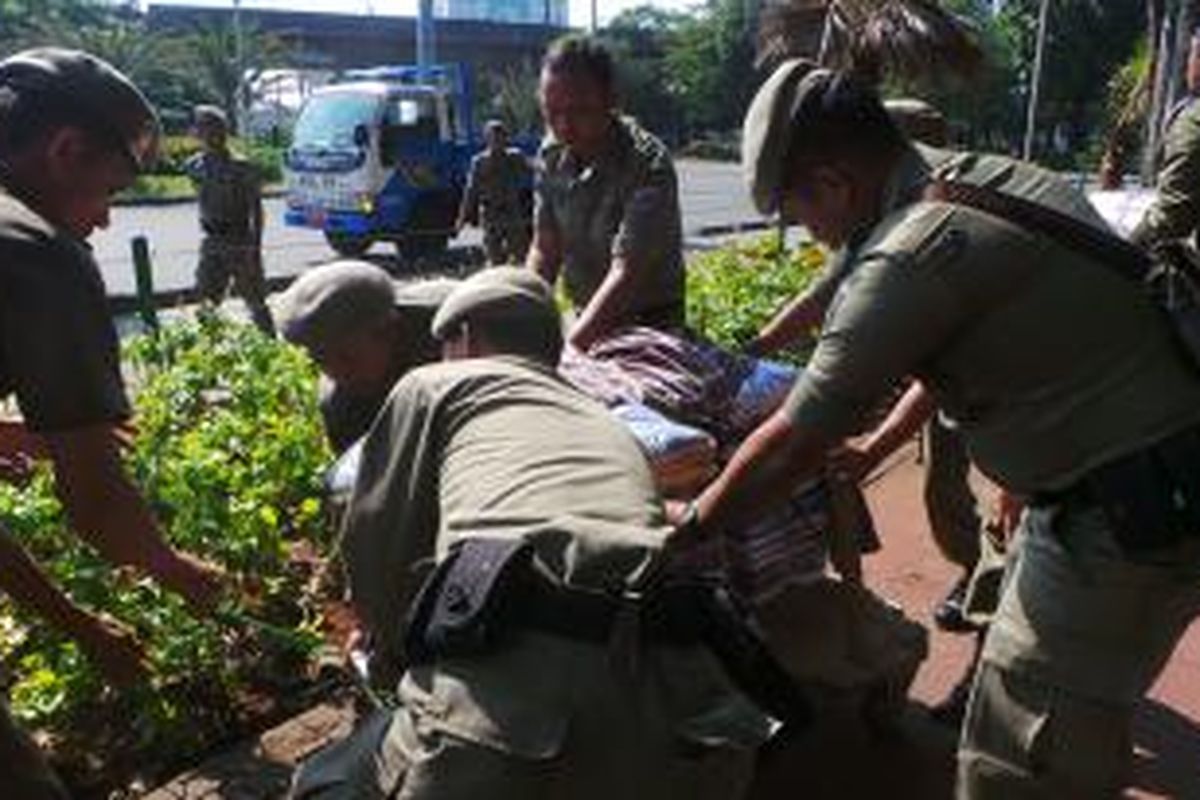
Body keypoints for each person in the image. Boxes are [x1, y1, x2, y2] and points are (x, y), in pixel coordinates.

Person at [676, 60, 1200, 798]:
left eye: (799, 212)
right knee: (1040, 721)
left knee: (1022, 762)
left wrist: (689, 529)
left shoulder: (912, 255)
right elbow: (874, 317)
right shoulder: (973, 179)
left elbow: (797, 442)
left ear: (832, 183)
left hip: (1130, 513)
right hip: (1126, 478)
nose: (809, 233)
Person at [292, 267, 770, 799]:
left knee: (326, 782)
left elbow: (379, 543)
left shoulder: (434, 381)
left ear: (464, 340)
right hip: (688, 717)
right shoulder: (604, 417)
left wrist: (388, 652)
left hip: (504, 721)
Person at [0, 48, 227, 798]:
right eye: (110, 190)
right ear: (65, 150)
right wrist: (176, 571)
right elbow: (96, 504)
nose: (104, 219)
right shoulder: (35, 256)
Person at [527, 35, 686, 350]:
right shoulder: (552, 154)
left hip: (650, 327)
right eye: (551, 112)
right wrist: (521, 307)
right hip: (585, 314)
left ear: (611, 100)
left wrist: (571, 349)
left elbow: (627, 272)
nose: (564, 126)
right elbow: (546, 249)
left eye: (579, 112)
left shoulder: (646, 164)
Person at [276, 261, 457, 453]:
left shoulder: (458, 325)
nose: (339, 374)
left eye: (347, 357)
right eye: (322, 361)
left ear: (388, 332)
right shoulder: (342, 409)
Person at [187, 104, 274, 336]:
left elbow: (256, 209)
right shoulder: (195, 166)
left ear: (223, 130)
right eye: (202, 127)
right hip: (211, 240)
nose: (207, 133)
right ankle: (210, 350)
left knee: (255, 302)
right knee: (206, 301)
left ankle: (272, 346)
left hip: (239, 240)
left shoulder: (241, 166)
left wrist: (255, 247)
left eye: (213, 127)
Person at [456, 119, 532, 266]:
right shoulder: (479, 162)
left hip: (511, 212)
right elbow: (471, 192)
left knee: (520, 254)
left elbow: (533, 167)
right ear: (487, 139)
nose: (497, 141)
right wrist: (462, 218)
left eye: (500, 136)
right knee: (494, 257)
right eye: (493, 137)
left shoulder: (514, 157)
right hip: (490, 214)